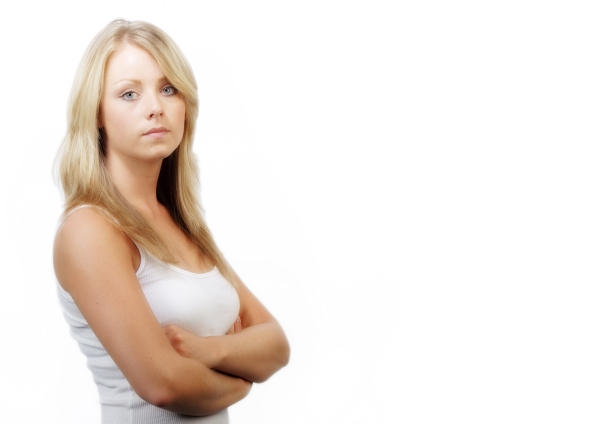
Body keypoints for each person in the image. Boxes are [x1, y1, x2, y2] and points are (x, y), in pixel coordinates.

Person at [53, 19, 290, 423]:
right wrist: (241, 381)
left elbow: (276, 344)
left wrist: (209, 351)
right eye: (129, 93)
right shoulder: (90, 229)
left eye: (168, 88)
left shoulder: (182, 224)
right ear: (96, 114)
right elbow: (164, 386)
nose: (155, 107)